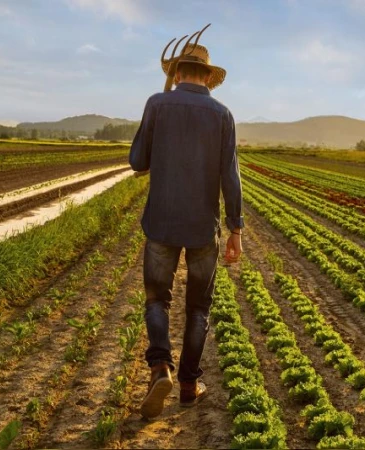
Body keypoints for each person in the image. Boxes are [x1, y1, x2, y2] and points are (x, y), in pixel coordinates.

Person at [129, 33, 243, 419]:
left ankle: (160, 367)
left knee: (156, 299)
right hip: (202, 229)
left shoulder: (157, 103)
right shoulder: (223, 115)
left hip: (161, 221)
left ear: (176, 72)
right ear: (208, 78)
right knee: (198, 307)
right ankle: (190, 385)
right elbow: (231, 177)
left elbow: (136, 160)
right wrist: (236, 230)